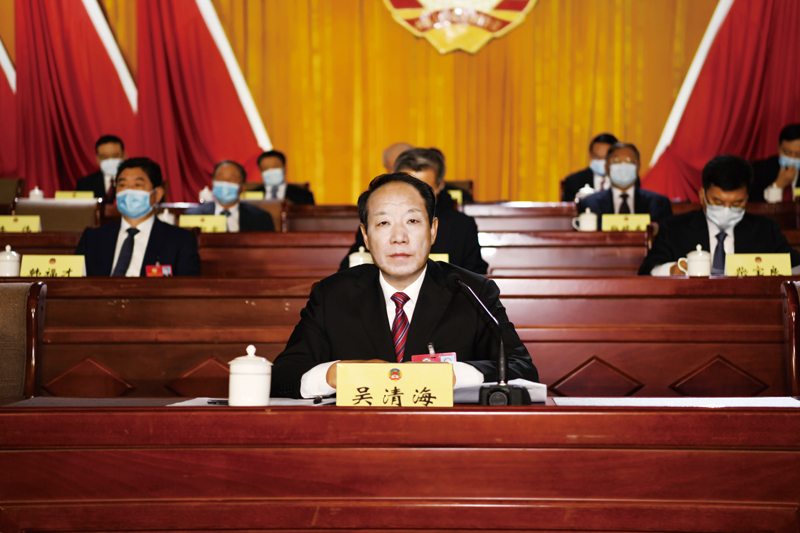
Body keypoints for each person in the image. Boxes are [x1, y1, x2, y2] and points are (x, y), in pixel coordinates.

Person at [271, 173, 538, 399]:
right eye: (383, 223)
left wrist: (452, 376)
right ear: (365, 236)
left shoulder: (471, 291)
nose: (399, 237)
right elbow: (282, 376)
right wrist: (335, 374)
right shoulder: (332, 295)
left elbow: (522, 369)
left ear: (432, 230)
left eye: (412, 221)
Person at [639, 155, 800, 276]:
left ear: (746, 199)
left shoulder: (765, 230)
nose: (727, 210)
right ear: (702, 195)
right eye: (718, 202)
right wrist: (672, 270)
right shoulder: (673, 228)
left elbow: (796, 267)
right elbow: (647, 271)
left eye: (736, 203)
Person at [338, 147, 488, 274]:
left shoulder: (461, 226)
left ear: (439, 186)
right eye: (406, 188)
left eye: (425, 189)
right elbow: (349, 272)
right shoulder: (377, 221)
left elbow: (474, 277)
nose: (413, 196)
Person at [75, 157, 201, 276]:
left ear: (157, 194)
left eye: (137, 185)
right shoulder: (92, 239)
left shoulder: (180, 241)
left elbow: (188, 287)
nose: (128, 191)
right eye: (122, 185)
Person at [578, 142, 672, 229]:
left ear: (638, 166)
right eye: (616, 161)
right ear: (607, 168)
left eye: (629, 161)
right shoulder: (589, 204)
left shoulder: (659, 203)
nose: (623, 165)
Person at [184, 160, 274, 232]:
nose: (225, 183)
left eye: (232, 179)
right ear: (212, 183)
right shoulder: (192, 216)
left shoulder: (261, 218)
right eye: (220, 178)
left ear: (243, 187)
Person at [561, 133, 618, 202]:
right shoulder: (574, 181)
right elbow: (568, 207)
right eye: (596, 156)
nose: (601, 161)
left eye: (606, 157)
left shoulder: (624, 181)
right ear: (590, 155)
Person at [751, 123, 800, 202]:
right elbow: (754, 205)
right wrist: (778, 185)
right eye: (787, 152)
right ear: (778, 147)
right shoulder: (758, 170)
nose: (792, 158)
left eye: (798, 154)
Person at [76, 135, 126, 202]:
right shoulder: (85, 184)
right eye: (104, 157)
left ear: (124, 156)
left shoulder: (134, 183)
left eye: (115, 156)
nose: (110, 161)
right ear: (98, 159)